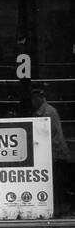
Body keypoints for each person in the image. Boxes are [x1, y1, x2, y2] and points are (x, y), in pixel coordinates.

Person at [30, 85, 71, 214]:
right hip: (56, 153)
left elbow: (46, 135)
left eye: (33, 99)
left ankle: (59, 210)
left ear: (38, 99)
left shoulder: (46, 113)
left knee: (56, 184)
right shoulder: (47, 110)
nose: (32, 103)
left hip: (56, 153)